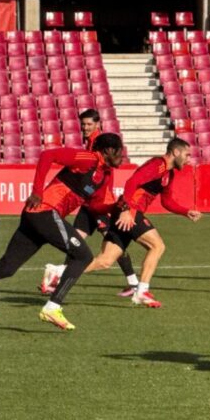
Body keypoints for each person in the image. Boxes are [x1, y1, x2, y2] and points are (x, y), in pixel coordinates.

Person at [0, 133, 124, 332]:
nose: (122, 156)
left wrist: (116, 208)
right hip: (44, 212)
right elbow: (47, 156)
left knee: (7, 267)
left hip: (38, 216)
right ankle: (53, 307)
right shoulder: (88, 159)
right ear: (107, 150)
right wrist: (37, 190)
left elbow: (96, 206)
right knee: (84, 256)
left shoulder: (104, 175)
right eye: (120, 151)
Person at [80, 137, 201, 308]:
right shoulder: (158, 165)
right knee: (157, 246)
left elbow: (167, 201)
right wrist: (127, 210)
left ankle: (58, 273)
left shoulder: (169, 173)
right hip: (130, 211)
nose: (189, 159)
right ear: (175, 152)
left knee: (105, 261)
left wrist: (185, 211)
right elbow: (132, 182)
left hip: (127, 212)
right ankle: (142, 291)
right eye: (187, 155)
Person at [41, 109, 139, 298]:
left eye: (89, 124)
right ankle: (58, 279)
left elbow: (105, 173)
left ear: (97, 124)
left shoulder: (101, 144)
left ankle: (134, 283)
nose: (85, 127)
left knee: (113, 245)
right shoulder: (91, 142)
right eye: (83, 124)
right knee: (75, 240)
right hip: (89, 204)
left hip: (100, 203)